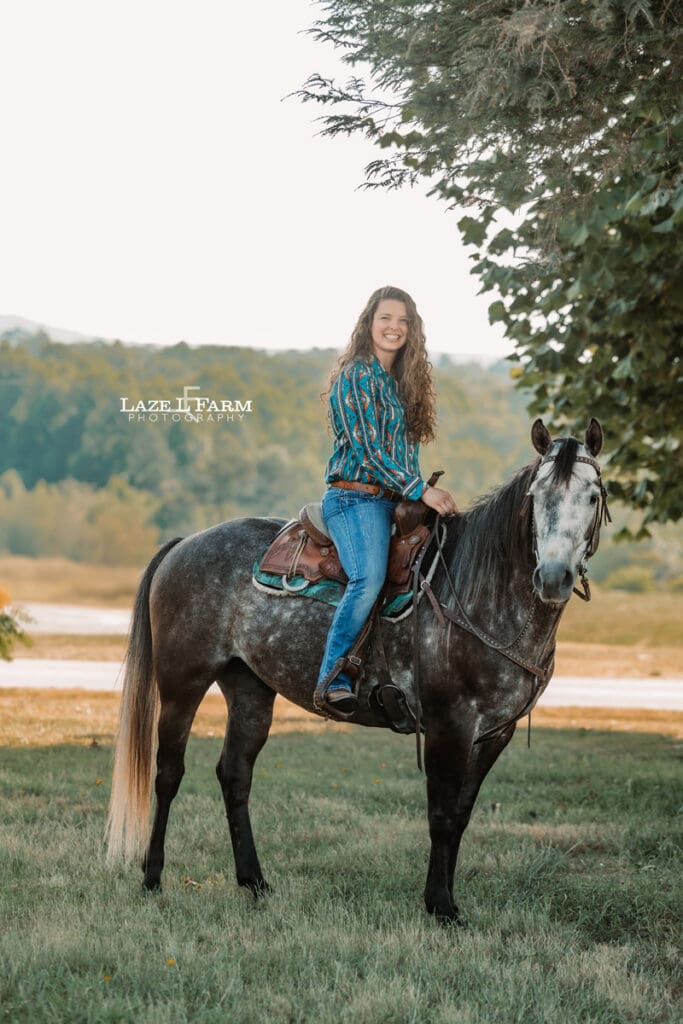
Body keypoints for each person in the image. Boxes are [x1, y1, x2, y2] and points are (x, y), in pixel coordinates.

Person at [314, 285, 458, 715]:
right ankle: (332, 678)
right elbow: (369, 453)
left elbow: (399, 456)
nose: (394, 328)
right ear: (369, 324)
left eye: (403, 321)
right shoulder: (356, 376)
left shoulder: (401, 384)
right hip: (355, 500)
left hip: (395, 501)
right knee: (368, 578)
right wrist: (422, 491)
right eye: (385, 319)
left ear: (411, 330)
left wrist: (417, 496)